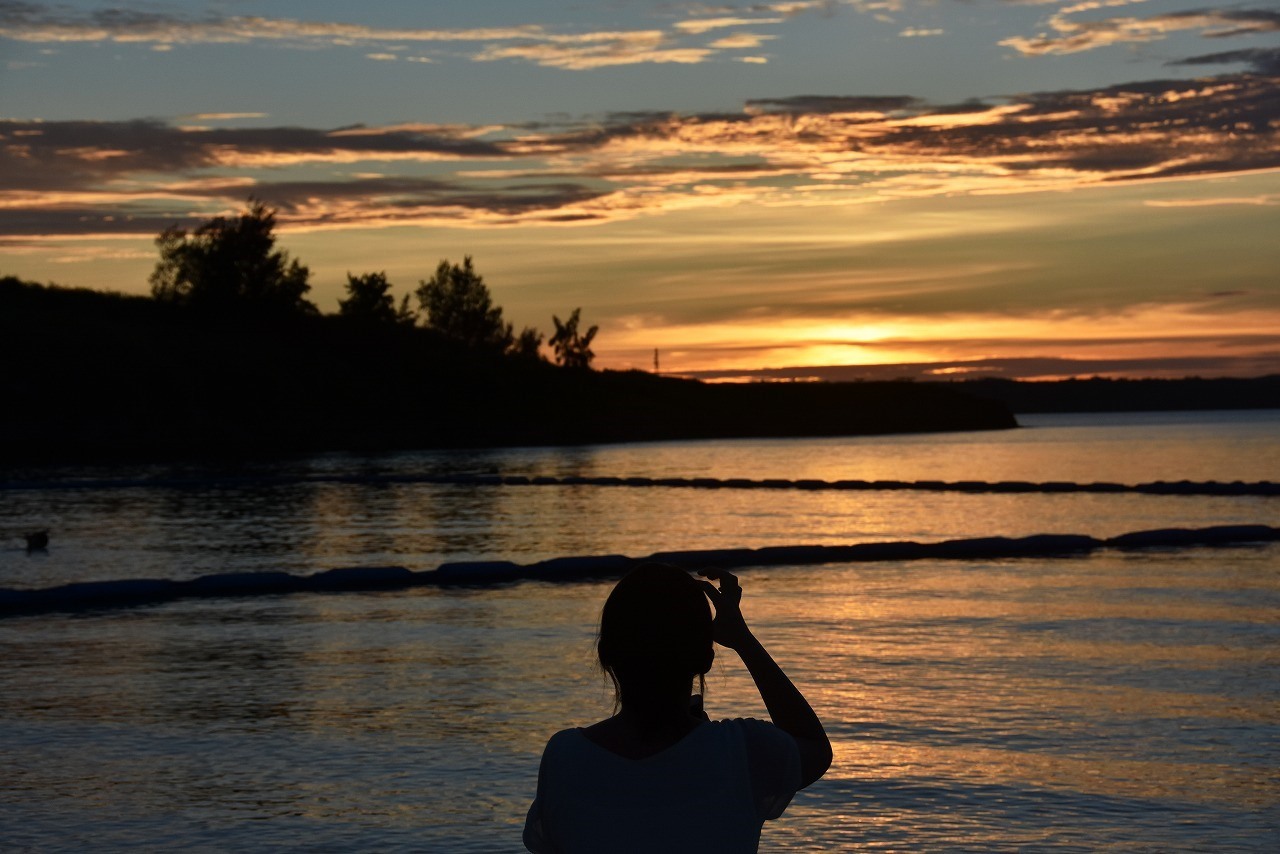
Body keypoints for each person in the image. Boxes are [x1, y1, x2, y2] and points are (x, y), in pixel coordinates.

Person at [524, 563, 832, 853]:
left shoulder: (565, 758)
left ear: (606, 656)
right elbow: (815, 748)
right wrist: (742, 640)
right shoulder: (745, 751)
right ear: (706, 659)